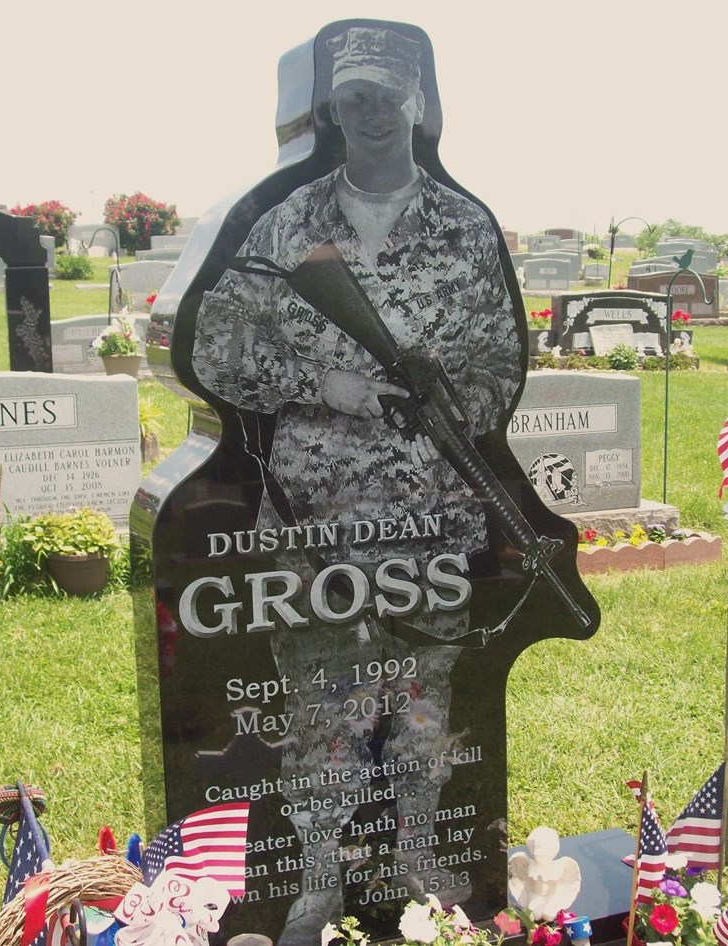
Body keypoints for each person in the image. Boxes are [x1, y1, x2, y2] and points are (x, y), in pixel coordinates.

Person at [192, 25, 523, 946]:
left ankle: (418, 851)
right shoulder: (290, 223)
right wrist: (319, 386)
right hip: (315, 525)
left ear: (417, 103)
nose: (372, 115)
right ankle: (320, 879)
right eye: (354, 99)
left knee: (423, 699)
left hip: (431, 521)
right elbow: (218, 346)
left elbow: (501, 359)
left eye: (387, 95)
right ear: (334, 111)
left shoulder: (466, 227)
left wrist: (449, 399)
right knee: (320, 705)